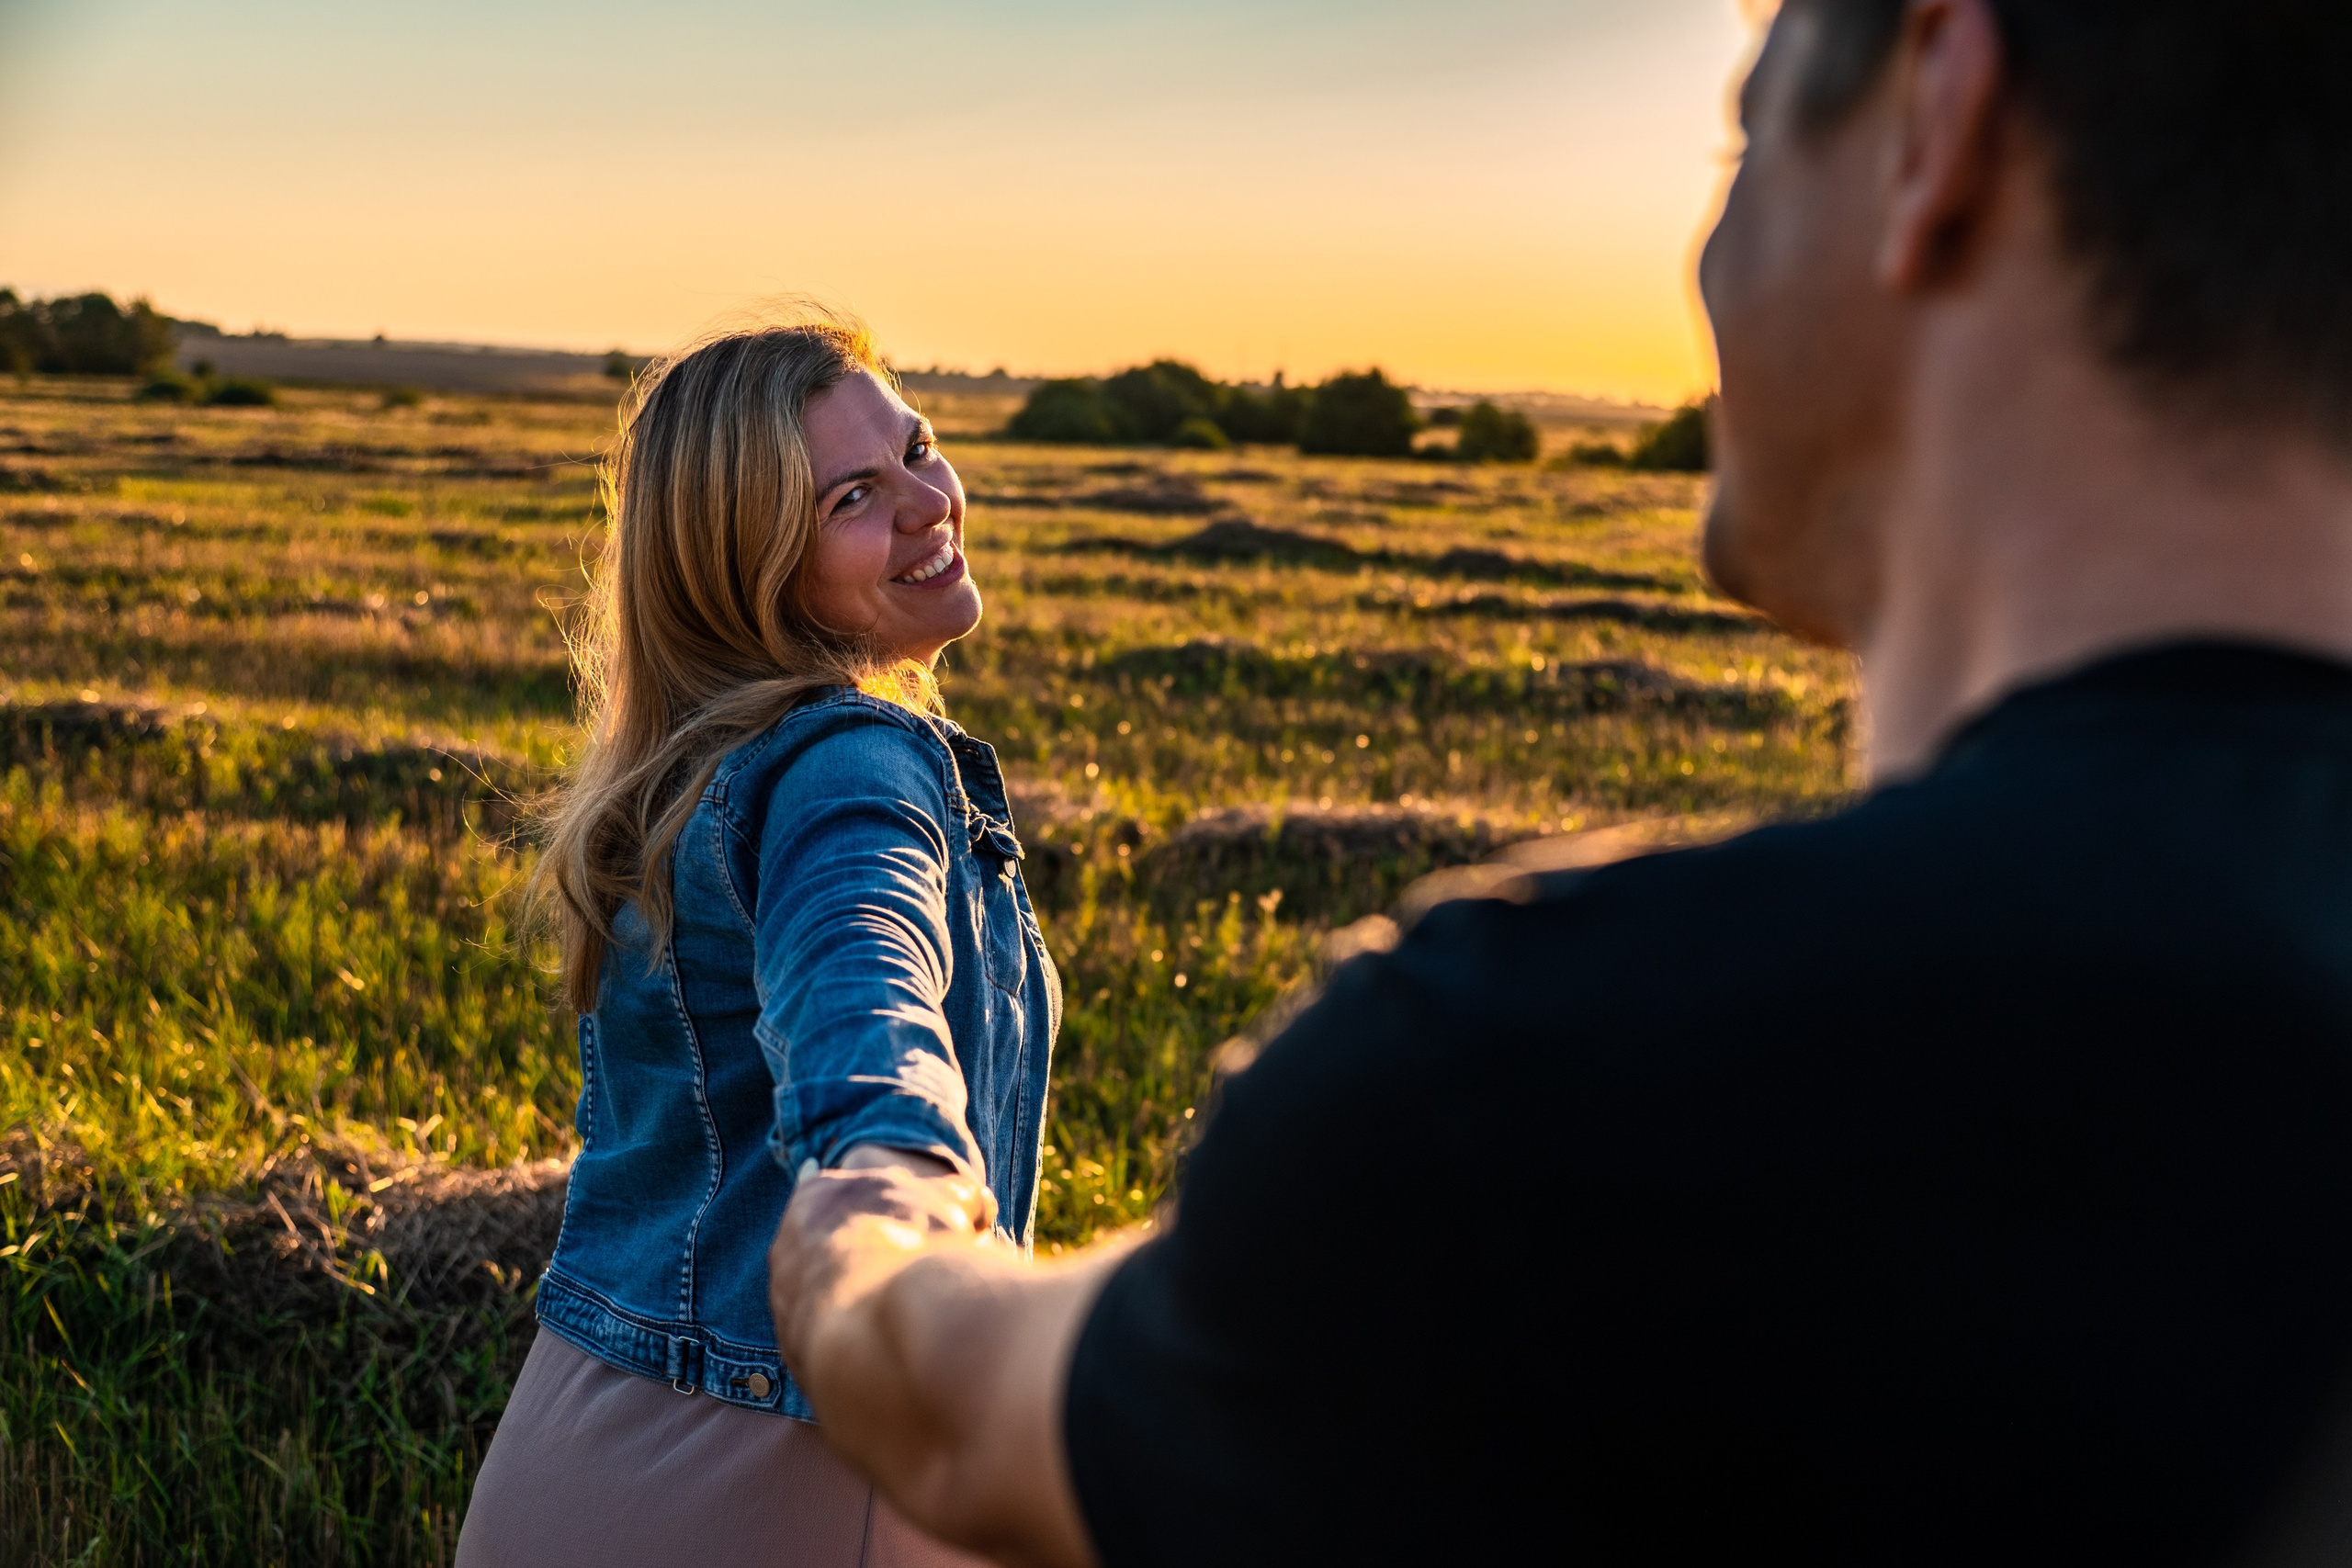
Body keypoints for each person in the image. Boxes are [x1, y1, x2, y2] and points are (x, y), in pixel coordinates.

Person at [763, 1, 2352, 1564]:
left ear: (1937, 112)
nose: (1708, 261)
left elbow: (960, 1414)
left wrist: (868, 1237)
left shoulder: (1552, 1091)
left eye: (1743, 135)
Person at [457, 314, 1059, 1568]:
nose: (927, 503)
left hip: (579, 1442)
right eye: (853, 495)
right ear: (758, 569)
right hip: (783, 1480)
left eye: (917, 448)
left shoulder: (698, 776)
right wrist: (902, 1192)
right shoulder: (855, 760)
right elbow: (864, 985)